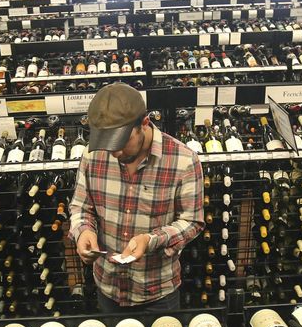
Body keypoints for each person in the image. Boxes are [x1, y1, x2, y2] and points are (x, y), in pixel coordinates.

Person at [69, 83, 204, 313]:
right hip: (108, 289)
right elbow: (81, 207)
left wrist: (152, 240)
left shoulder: (184, 161)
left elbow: (192, 221)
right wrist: (84, 231)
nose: (115, 153)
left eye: (120, 143)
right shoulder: (92, 156)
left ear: (144, 123)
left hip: (158, 293)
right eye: (107, 144)